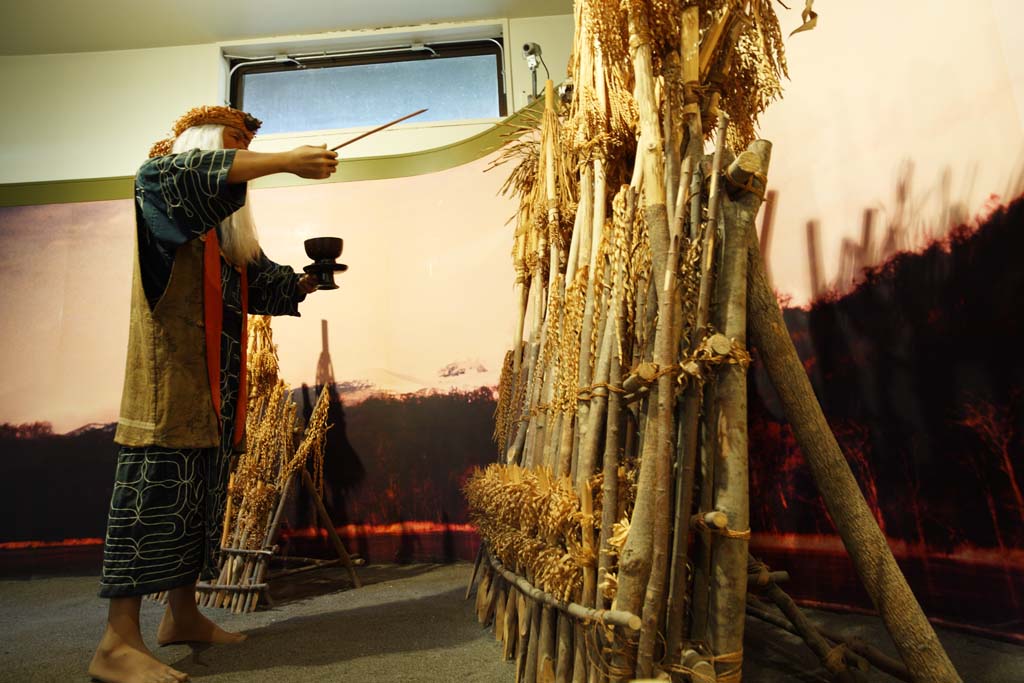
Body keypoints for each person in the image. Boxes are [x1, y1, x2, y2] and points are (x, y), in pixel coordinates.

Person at [89, 105, 339, 683]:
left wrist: (306, 280)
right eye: (234, 147)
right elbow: (190, 178)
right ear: (204, 149)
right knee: (148, 504)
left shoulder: (218, 240)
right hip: (167, 392)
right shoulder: (159, 183)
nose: (243, 159)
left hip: (213, 399)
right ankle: (115, 641)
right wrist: (286, 162)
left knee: (197, 510)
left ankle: (181, 616)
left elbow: (256, 281)